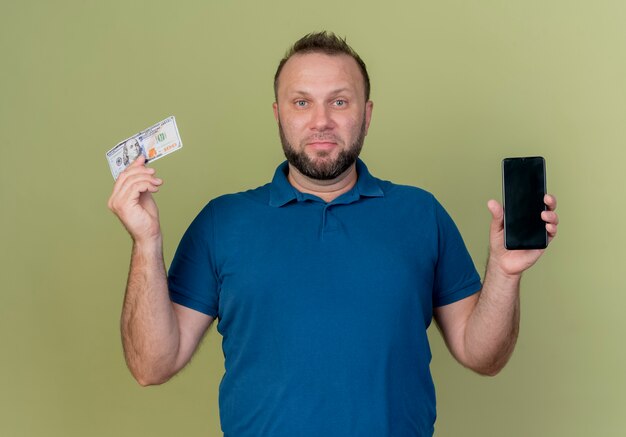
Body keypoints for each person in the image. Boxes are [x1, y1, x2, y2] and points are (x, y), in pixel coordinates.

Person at [107, 32, 559, 437]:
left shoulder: (421, 213)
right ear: (278, 113)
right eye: (301, 102)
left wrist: (504, 271)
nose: (320, 120)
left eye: (339, 101)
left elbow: (483, 356)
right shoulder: (221, 221)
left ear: (367, 114)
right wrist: (145, 243)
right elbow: (152, 365)